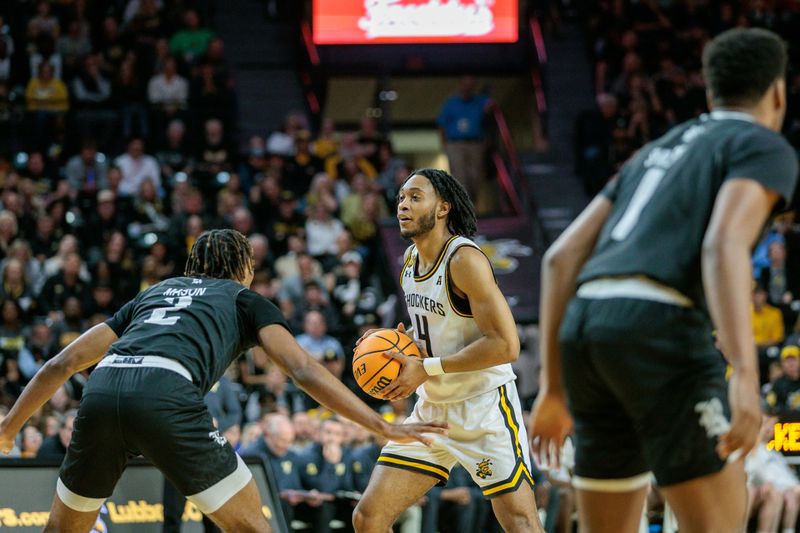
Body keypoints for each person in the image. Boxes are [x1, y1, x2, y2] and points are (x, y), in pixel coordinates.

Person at [529, 27, 799, 533]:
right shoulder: (763, 144)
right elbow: (723, 245)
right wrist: (744, 373)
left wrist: (554, 387)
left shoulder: (660, 146)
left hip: (586, 325)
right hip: (658, 325)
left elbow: (560, 259)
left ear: (711, 91)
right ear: (778, 92)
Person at [0, 229, 445, 533]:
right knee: (252, 526)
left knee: (60, 529)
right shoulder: (244, 298)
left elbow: (62, 363)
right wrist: (382, 425)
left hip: (101, 390)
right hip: (165, 394)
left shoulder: (154, 293)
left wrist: (8, 430)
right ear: (244, 266)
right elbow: (304, 369)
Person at [352, 168, 543, 532]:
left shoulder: (464, 260)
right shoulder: (409, 259)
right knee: (368, 517)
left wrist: (428, 367)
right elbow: (439, 326)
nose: (403, 206)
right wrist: (403, 343)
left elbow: (505, 344)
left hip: (483, 408)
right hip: (432, 411)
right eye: (401, 199)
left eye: (414, 197)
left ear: (443, 208)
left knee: (521, 524)